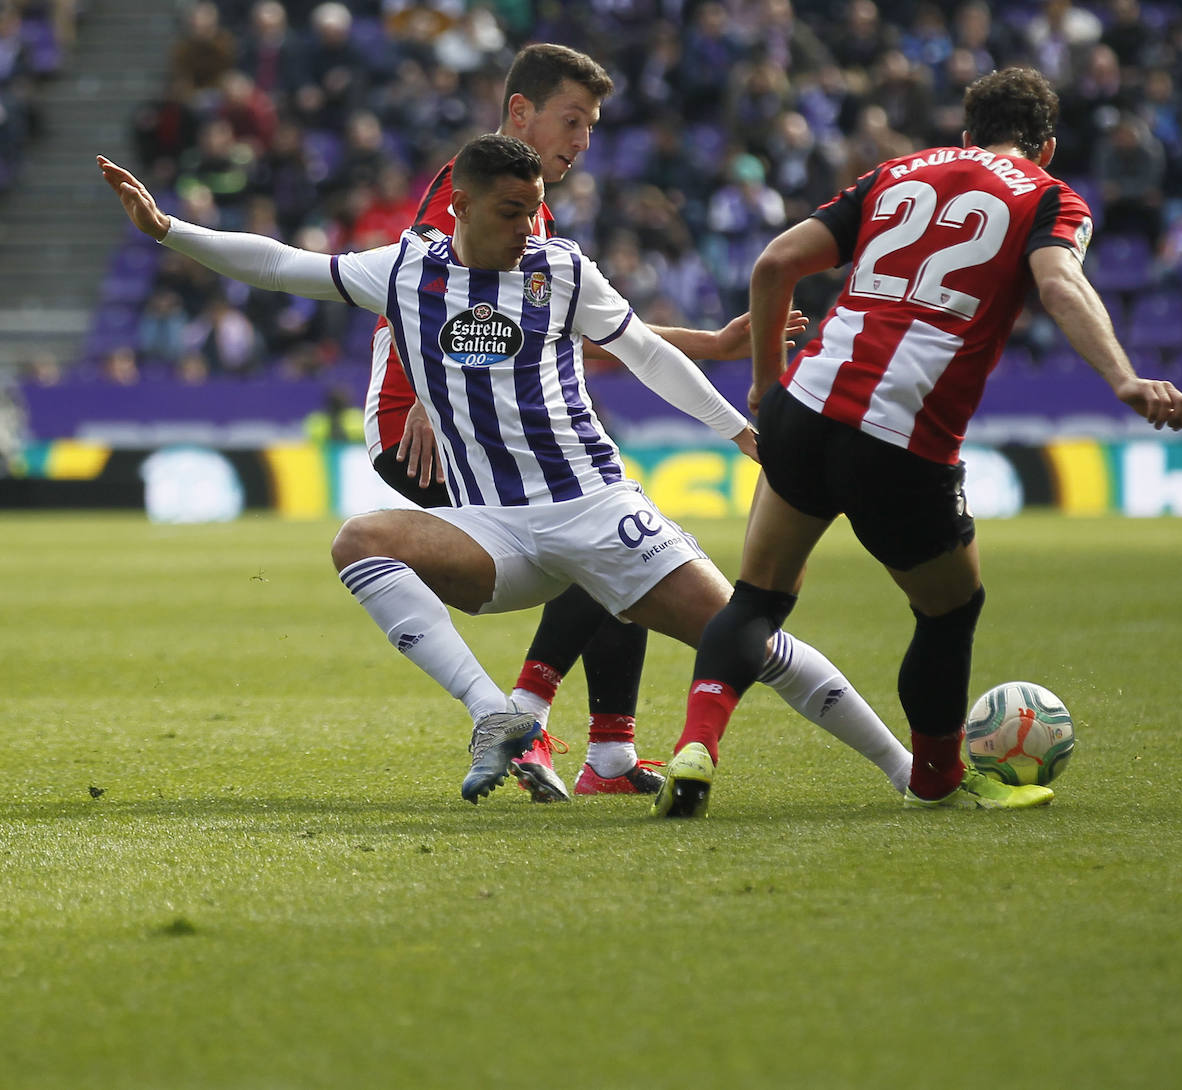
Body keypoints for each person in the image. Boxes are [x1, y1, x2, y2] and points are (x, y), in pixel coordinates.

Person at [98, 134, 915, 809]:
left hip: (595, 507)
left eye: (534, 210)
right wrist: (169, 230)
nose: (529, 225)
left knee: (751, 644)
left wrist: (740, 431)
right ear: (460, 205)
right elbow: (279, 265)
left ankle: (907, 770)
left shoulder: (561, 269)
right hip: (493, 528)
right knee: (360, 540)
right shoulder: (407, 270)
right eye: (510, 210)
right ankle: (496, 713)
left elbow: (645, 354)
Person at [654, 66, 1182, 819]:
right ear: (1049, 145)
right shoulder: (1046, 195)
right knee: (948, 610)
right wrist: (1125, 378)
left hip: (803, 409)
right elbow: (1061, 284)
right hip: (900, 439)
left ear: (967, 135)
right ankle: (937, 778)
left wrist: (763, 386)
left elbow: (775, 262)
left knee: (757, 598)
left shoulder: (898, 170)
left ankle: (697, 748)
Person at [366, 44, 803, 804]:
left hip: (476, 423)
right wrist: (434, 409)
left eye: (593, 128)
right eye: (572, 121)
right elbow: (426, 305)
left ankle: (606, 750)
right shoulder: (469, 195)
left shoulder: (529, 213)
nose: (581, 141)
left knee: (611, 528)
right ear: (520, 113)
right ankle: (532, 719)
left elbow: (600, 332)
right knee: (603, 534)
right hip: (430, 429)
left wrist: (714, 344)